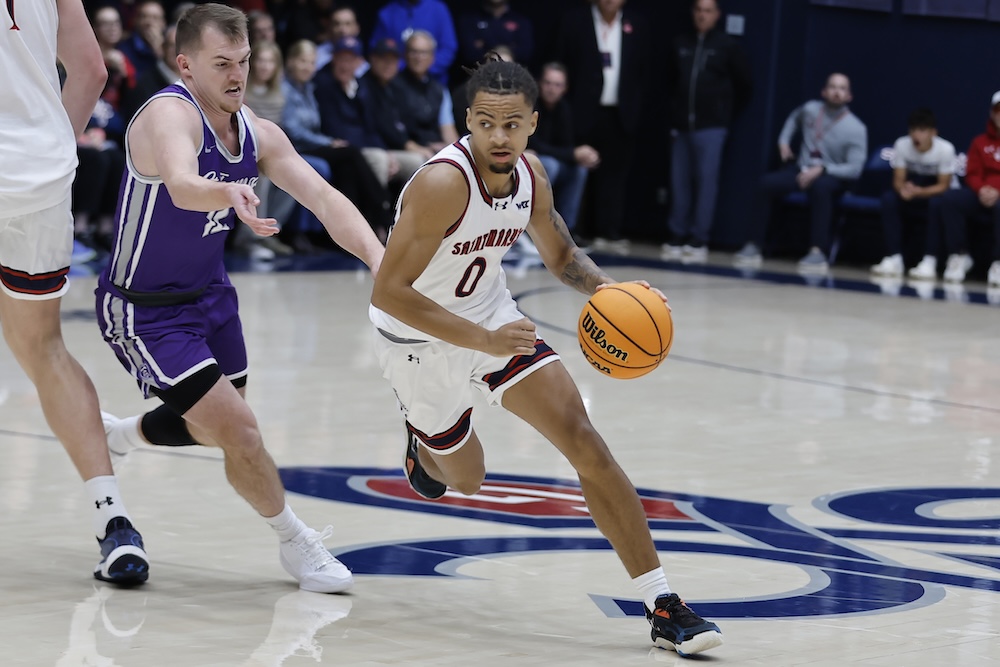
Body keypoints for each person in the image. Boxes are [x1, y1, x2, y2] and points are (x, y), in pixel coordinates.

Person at [368, 55, 722, 656]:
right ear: (467, 122)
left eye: (511, 124)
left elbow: (561, 258)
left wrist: (615, 293)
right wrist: (479, 342)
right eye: (485, 124)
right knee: (466, 479)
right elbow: (388, 292)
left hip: (492, 315)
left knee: (585, 439)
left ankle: (663, 603)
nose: (498, 137)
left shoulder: (530, 176)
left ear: (533, 122)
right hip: (418, 341)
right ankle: (423, 449)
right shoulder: (441, 183)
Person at [97, 4, 384, 593]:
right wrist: (225, 190)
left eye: (244, 61)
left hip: (211, 296)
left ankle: (121, 436)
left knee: (214, 430)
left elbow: (324, 199)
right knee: (243, 433)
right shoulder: (167, 117)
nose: (237, 74)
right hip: (144, 308)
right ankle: (296, 543)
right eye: (222, 63)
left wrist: (379, 262)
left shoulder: (257, 131)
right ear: (186, 63)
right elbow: (180, 184)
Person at [0, 0, 149, 585]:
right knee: (46, 351)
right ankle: (114, 523)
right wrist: (51, 146)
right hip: (39, 177)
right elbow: (90, 69)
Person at [734, 72, 867, 272]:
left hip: (831, 175)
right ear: (824, 91)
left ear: (849, 96)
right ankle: (753, 245)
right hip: (801, 170)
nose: (837, 92)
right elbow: (793, 119)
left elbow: (855, 170)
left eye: (842, 88)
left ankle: (817, 251)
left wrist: (823, 169)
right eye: (832, 86)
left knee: (821, 189)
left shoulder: (856, 128)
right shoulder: (811, 110)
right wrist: (784, 141)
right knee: (766, 183)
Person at [555, 0, 652, 254]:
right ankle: (578, 230)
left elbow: (643, 69)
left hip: (620, 111)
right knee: (582, 169)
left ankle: (609, 230)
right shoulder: (575, 20)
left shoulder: (636, 25)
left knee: (615, 173)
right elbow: (562, 62)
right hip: (583, 110)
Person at [662, 0, 752, 264]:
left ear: (717, 15)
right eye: (698, 10)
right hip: (681, 126)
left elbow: (745, 85)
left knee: (706, 182)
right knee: (679, 181)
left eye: (708, 11)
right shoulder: (680, 43)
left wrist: (723, 114)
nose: (702, 15)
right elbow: (669, 82)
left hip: (711, 127)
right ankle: (677, 234)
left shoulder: (727, 46)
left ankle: (698, 237)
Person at [869, 108, 954, 280]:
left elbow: (944, 186)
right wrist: (903, 190)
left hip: (934, 193)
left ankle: (929, 261)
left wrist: (920, 192)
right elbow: (898, 179)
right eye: (913, 130)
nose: (917, 135)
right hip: (913, 190)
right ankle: (894, 258)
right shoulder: (902, 144)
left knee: (937, 204)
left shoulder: (945, 149)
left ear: (933, 133)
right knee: (889, 199)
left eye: (922, 130)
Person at [936, 91, 1000, 285]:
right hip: (982, 192)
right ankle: (959, 255)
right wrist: (981, 190)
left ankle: (998, 262)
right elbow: (972, 173)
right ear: (992, 112)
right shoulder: (979, 142)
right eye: (998, 110)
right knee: (951, 199)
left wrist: (997, 191)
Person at [527, 62, 599, 235]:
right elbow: (533, 144)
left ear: (565, 88)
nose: (552, 89)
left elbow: (566, 145)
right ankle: (534, 229)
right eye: (548, 83)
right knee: (549, 165)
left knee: (579, 170)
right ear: (539, 83)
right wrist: (573, 154)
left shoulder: (564, 109)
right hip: (528, 162)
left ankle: (565, 231)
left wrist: (582, 156)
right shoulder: (530, 106)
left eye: (557, 85)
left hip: (554, 162)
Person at [394, 30, 459, 155]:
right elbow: (393, 130)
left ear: (432, 58)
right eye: (414, 52)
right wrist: (423, 149)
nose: (418, 58)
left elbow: (448, 129)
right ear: (405, 54)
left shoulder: (439, 89)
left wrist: (455, 153)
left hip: (436, 149)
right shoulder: (392, 86)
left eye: (424, 53)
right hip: (408, 149)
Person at [369, 0, 458, 86]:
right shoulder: (386, 13)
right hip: (395, 84)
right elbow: (377, 51)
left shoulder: (439, 9)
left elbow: (448, 49)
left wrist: (421, 67)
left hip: (434, 83)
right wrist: (405, 67)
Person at [456, 0, 534, 70]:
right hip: (476, 78)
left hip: (515, 78)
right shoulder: (469, 20)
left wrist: (486, 46)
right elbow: (469, 54)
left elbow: (525, 53)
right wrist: (508, 48)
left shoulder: (521, 21)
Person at [117, 0, 166, 79]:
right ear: (136, 21)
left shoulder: (172, 47)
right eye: (144, 17)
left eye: (155, 18)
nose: (149, 22)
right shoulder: (124, 48)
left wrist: (160, 53)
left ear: (163, 23)